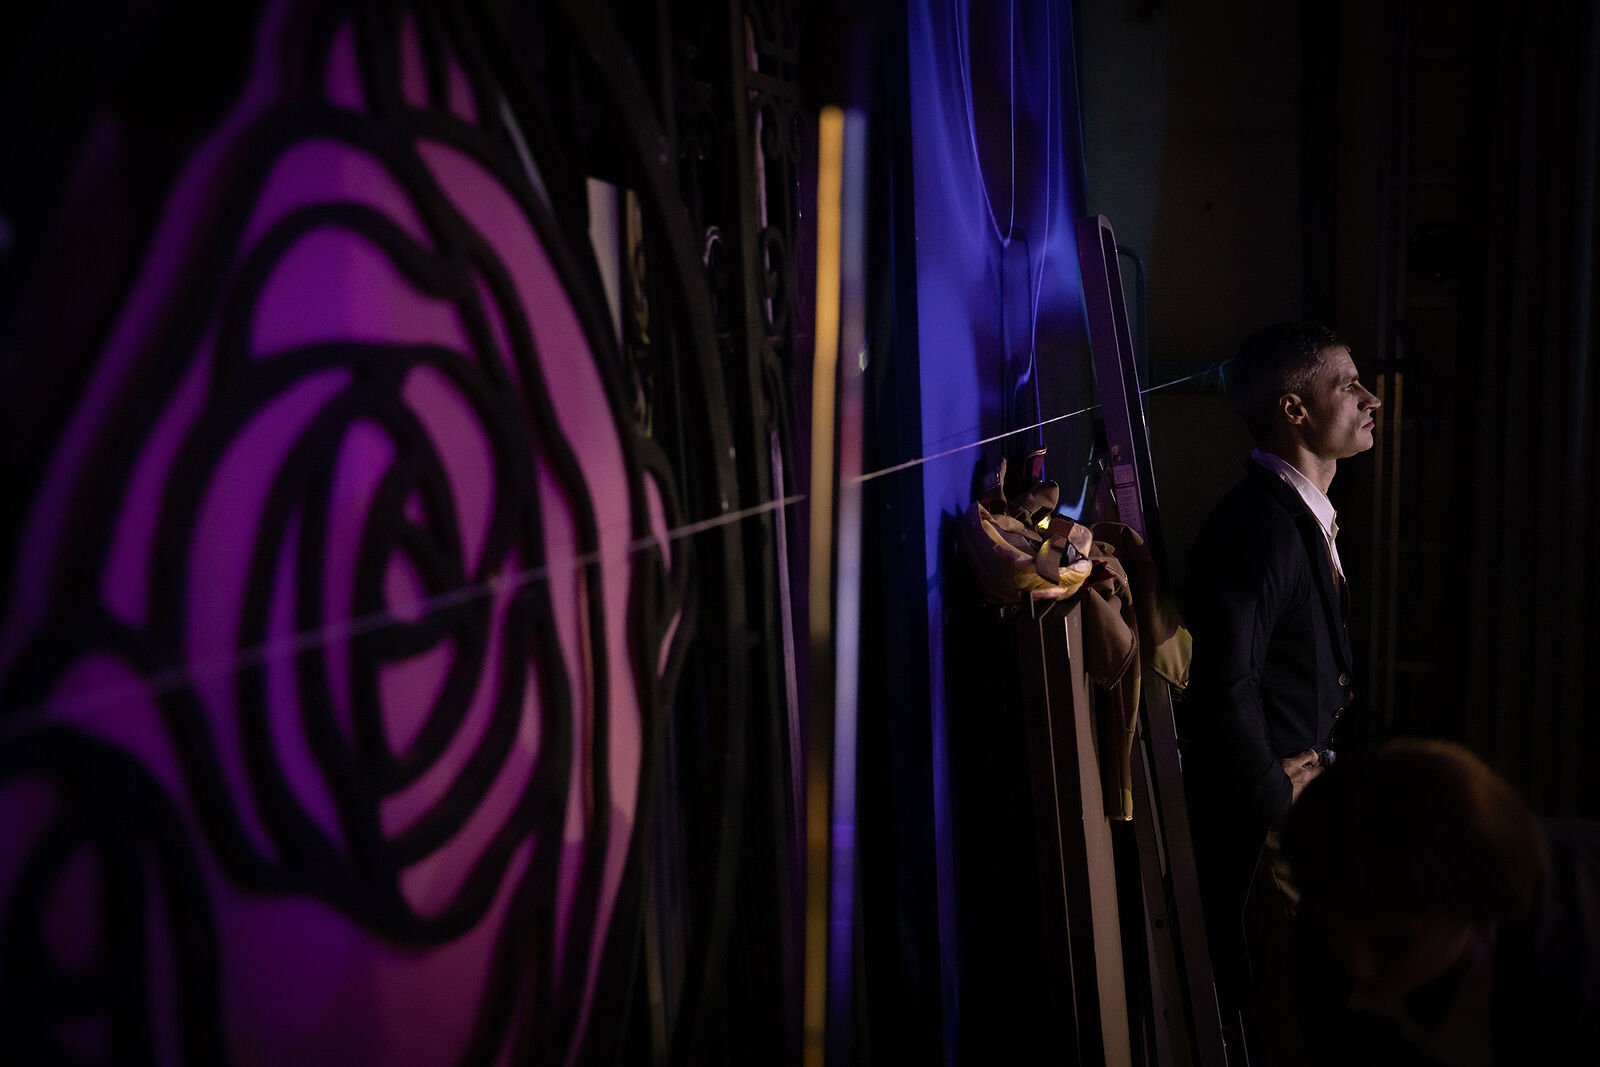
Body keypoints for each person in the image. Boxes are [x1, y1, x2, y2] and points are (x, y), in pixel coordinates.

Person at [1179, 321, 1381, 1058]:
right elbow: (1220, 680)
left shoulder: (1298, 518)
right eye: (1348, 385)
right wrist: (1270, 793)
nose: (1371, 399)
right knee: (1283, 1022)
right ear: (1293, 409)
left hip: (1298, 818)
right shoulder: (1259, 527)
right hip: (1263, 835)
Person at [1283, 738, 1600, 1065]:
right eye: (1337, 935)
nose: (1359, 967)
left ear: (1476, 906)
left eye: (1393, 944)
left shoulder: (1573, 982)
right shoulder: (1331, 907)